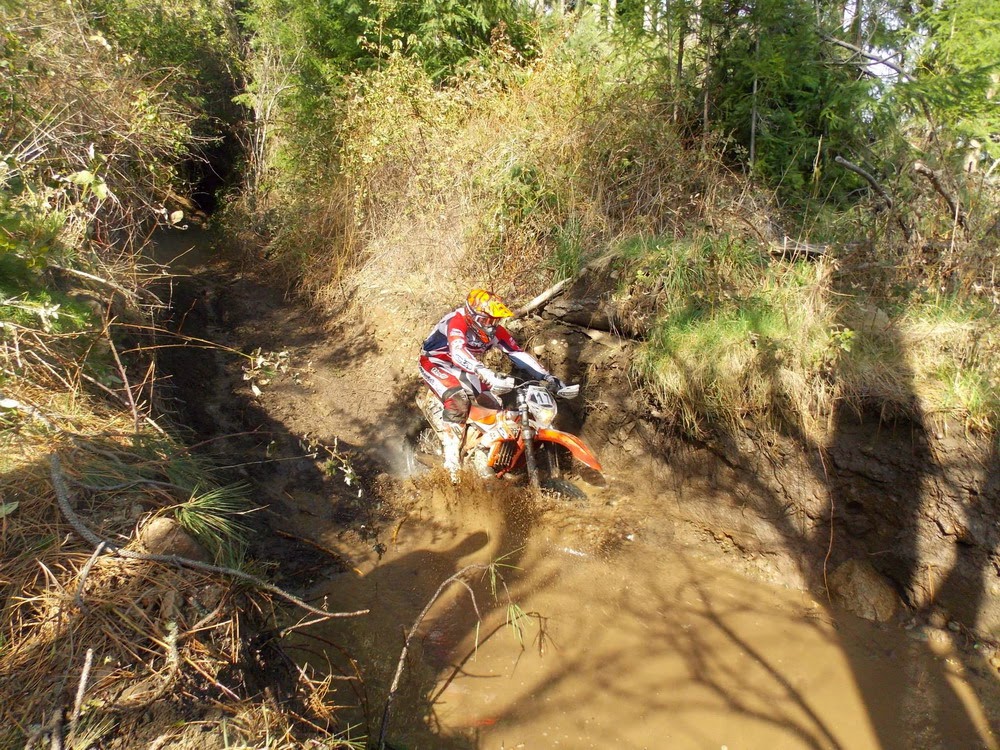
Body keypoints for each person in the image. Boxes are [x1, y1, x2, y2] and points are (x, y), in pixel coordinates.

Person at [418, 288, 567, 482]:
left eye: (495, 321)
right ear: (473, 315)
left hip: (468, 368)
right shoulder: (457, 322)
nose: (491, 325)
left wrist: (548, 377)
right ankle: (452, 466)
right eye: (487, 320)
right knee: (458, 400)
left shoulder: (495, 331)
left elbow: (517, 353)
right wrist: (484, 372)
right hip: (435, 364)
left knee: (494, 405)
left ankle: (485, 453)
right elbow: (458, 352)